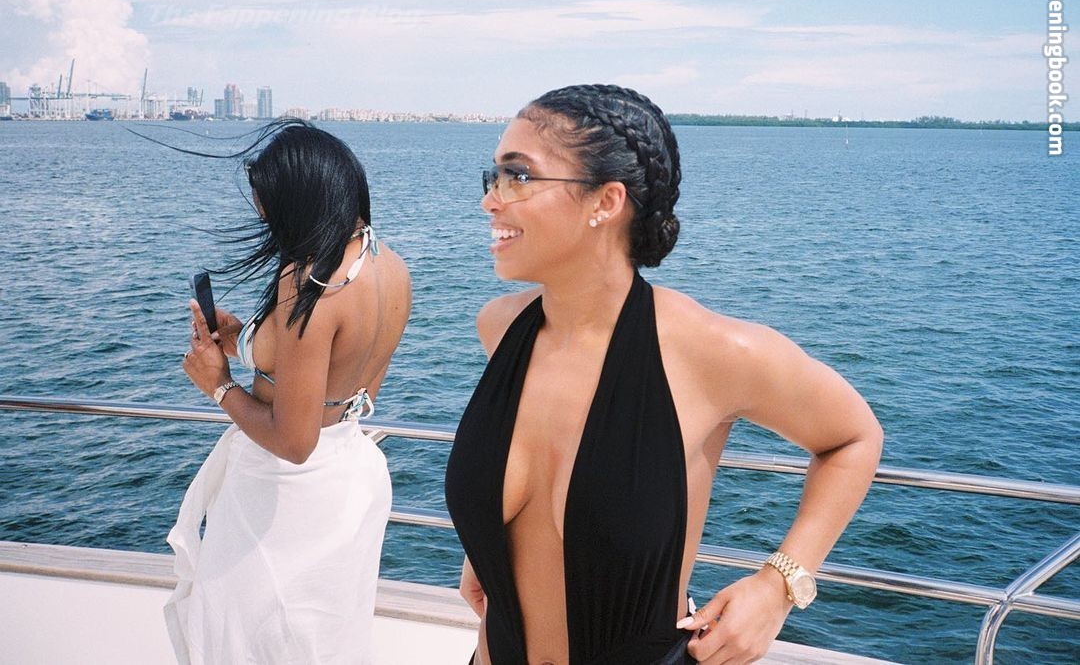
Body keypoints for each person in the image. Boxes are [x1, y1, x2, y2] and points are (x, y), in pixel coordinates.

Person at [444, 85, 883, 665]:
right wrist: (489, 543)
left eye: (517, 177)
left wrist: (779, 583)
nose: (490, 201)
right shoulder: (501, 329)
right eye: (494, 177)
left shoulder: (709, 352)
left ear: (606, 201)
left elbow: (853, 438)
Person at [163, 120, 411, 664]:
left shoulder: (309, 283)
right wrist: (246, 342)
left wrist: (218, 384)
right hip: (347, 480)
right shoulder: (389, 265)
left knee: (247, 641)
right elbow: (347, 386)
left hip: (284, 497)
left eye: (269, 209)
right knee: (317, 644)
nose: (266, 221)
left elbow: (295, 441)